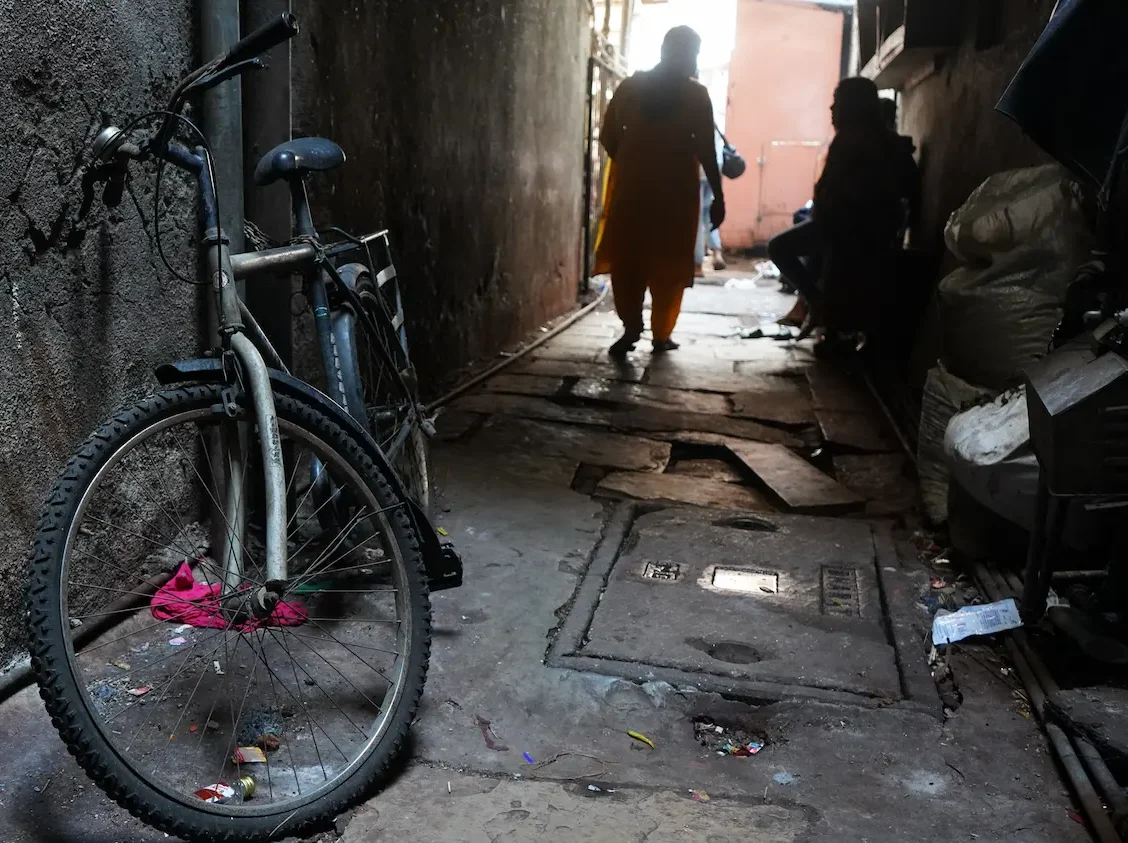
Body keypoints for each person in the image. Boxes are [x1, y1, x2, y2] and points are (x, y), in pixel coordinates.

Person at [594, 26, 725, 356]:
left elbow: (608, 137)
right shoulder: (696, 95)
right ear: (690, 54)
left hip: (632, 192)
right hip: (675, 197)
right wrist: (719, 197)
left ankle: (630, 329)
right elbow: (707, 151)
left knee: (630, 261)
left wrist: (633, 160)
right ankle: (661, 334)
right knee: (669, 265)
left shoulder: (631, 88)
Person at [767, 77, 918, 349]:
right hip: (869, 227)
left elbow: (840, 190)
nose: (831, 109)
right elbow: (909, 186)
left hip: (845, 226)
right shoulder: (890, 142)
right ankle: (824, 312)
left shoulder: (851, 140)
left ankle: (818, 304)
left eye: (837, 103)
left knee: (779, 247)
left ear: (852, 106)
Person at [695, 130, 727, 275]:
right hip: (714, 171)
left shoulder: (693, 116)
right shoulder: (713, 123)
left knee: (696, 217)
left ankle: (697, 265)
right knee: (708, 216)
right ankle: (717, 253)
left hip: (698, 171)